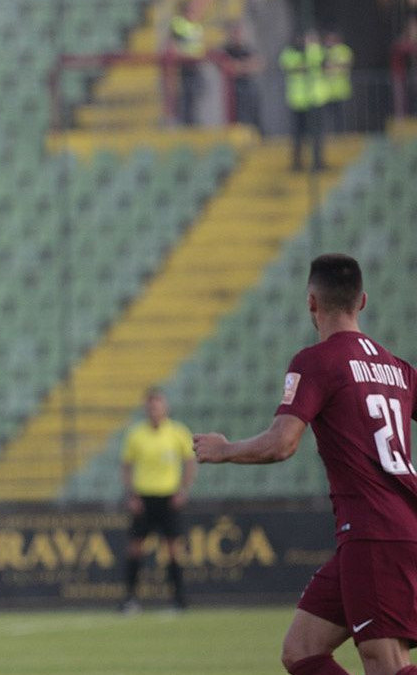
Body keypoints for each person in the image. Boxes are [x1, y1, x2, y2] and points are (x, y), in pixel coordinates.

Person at [194, 254, 417, 675]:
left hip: (375, 532)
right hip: (384, 530)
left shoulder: (317, 362)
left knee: (385, 663)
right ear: (363, 301)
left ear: (311, 302)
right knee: (301, 650)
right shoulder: (396, 367)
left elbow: (282, 444)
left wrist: (224, 449)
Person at [119, 388, 196, 613]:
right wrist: (131, 495)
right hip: (143, 498)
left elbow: (190, 462)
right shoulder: (136, 434)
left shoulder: (177, 432)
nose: (154, 410)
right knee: (135, 549)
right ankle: (130, 600)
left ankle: (178, 600)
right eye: (151, 406)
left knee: (173, 549)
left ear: (165, 408)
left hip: (168, 497)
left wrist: (183, 490)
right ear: (146, 408)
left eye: (158, 405)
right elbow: (126, 466)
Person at [280, 32, 329, 171]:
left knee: (317, 134)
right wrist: (309, 65)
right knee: (298, 135)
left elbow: (326, 64)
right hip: (297, 101)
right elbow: (294, 68)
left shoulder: (316, 50)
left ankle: (318, 162)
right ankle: (297, 163)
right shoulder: (289, 52)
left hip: (315, 99)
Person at [169, 1, 206, 126]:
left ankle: (194, 121)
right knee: (186, 96)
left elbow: (199, 46)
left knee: (197, 94)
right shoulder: (179, 24)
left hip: (196, 65)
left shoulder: (197, 26)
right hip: (184, 65)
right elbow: (173, 45)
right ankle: (185, 122)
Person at [221, 20, 264, 130]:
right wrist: (244, 66)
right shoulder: (226, 49)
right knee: (237, 118)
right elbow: (226, 66)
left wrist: (239, 67)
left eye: (238, 32)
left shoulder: (248, 49)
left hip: (249, 87)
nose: (237, 35)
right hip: (233, 90)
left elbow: (258, 65)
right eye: (235, 32)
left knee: (253, 116)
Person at [322, 31, 353, 132]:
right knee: (328, 116)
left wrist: (331, 66)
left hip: (340, 89)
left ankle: (341, 134)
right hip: (327, 90)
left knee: (340, 115)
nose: (329, 42)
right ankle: (331, 134)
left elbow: (345, 65)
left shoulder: (344, 50)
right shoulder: (324, 51)